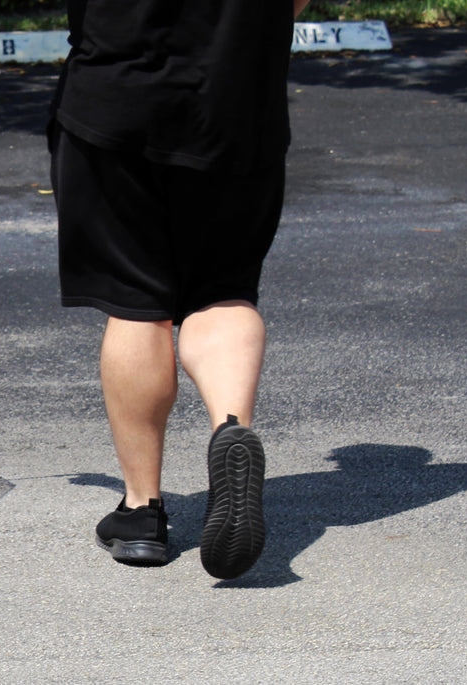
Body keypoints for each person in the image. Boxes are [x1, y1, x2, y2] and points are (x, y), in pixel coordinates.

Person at [48, 0, 311, 580]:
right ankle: (229, 427)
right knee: (223, 292)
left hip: (117, 97)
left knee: (136, 302)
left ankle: (142, 512)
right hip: (238, 104)